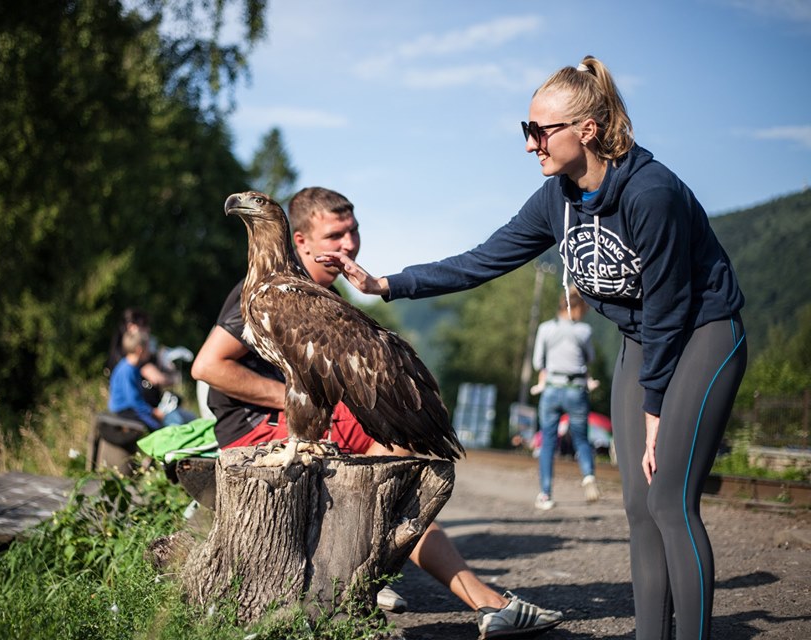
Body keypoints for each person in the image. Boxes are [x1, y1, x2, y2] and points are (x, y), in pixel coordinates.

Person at [319, 55, 748, 640]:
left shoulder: (651, 193)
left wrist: (655, 410)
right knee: (638, 508)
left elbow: (672, 308)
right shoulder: (558, 199)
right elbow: (481, 261)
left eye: (539, 131)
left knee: (671, 501)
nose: (529, 145)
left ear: (587, 131)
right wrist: (387, 285)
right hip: (641, 342)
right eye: (528, 130)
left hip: (702, 334)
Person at [191, 186, 564, 639]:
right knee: (387, 447)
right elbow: (208, 366)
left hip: (299, 417)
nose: (348, 244)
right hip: (255, 425)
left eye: (353, 232)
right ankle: (395, 579)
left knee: (394, 454)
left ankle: (368, 570)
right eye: (335, 235)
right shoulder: (271, 292)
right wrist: (295, 397)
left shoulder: (319, 297)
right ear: (300, 240)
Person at [531, 285, 599, 510]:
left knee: (548, 442)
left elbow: (538, 362)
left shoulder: (545, 329)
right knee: (581, 438)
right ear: (578, 308)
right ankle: (588, 476)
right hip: (576, 389)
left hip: (551, 389)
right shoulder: (584, 331)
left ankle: (545, 494)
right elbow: (590, 358)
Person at [107, 308, 195, 425]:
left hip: (133, 411)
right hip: (127, 413)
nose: (150, 351)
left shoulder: (131, 367)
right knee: (169, 424)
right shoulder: (128, 369)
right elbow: (133, 400)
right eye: (148, 348)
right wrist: (153, 412)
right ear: (139, 350)